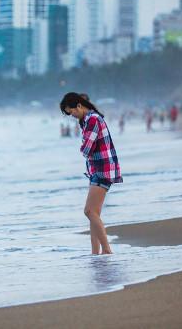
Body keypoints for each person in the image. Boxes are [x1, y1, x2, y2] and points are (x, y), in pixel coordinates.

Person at [60, 92, 123, 255]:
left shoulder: (93, 119)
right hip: (97, 169)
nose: (72, 115)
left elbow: (87, 148)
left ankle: (107, 250)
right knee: (94, 214)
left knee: (89, 212)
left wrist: (82, 148)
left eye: (71, 111)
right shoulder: (88, 120)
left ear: (79, 106)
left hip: (103, 169)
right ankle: (95, 253)